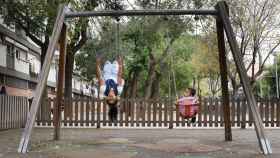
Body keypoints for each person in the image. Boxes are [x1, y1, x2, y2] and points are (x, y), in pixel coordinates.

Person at [96, 55, 125, 122]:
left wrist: (98, 64)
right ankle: (116, 63)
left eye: (109, 99)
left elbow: (100, 76)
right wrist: (120, 64)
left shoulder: (103, 90)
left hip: (107, 74)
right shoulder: (118, 91)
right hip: (115, 73)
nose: (111, 97)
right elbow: (119, 76)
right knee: (115, 63)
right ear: (115, 97)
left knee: (107, 62)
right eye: (113, 99)